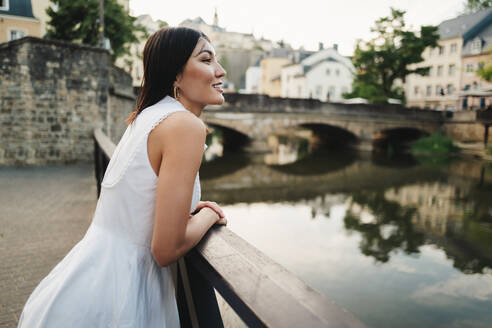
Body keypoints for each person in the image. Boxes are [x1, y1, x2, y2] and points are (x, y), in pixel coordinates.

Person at [18, 26, 227, 327]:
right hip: (127, 292)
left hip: (88, 281)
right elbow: (166, 248)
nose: (219, 71)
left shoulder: (146, 117)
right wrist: (208, 214)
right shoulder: (185, 126)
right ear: (176, 75)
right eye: (206, 60)